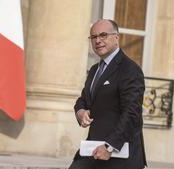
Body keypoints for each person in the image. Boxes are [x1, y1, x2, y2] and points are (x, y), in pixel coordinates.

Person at [68, 19, 147, 169]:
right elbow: (83, 99)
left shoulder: (129, 69)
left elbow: (132, 113)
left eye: (103, 35)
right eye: (94, 37)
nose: (98, 40)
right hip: (93, 150)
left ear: (116, 37)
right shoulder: (94, 70)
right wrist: (81, 111)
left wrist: (110, 147)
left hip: (119, 154)